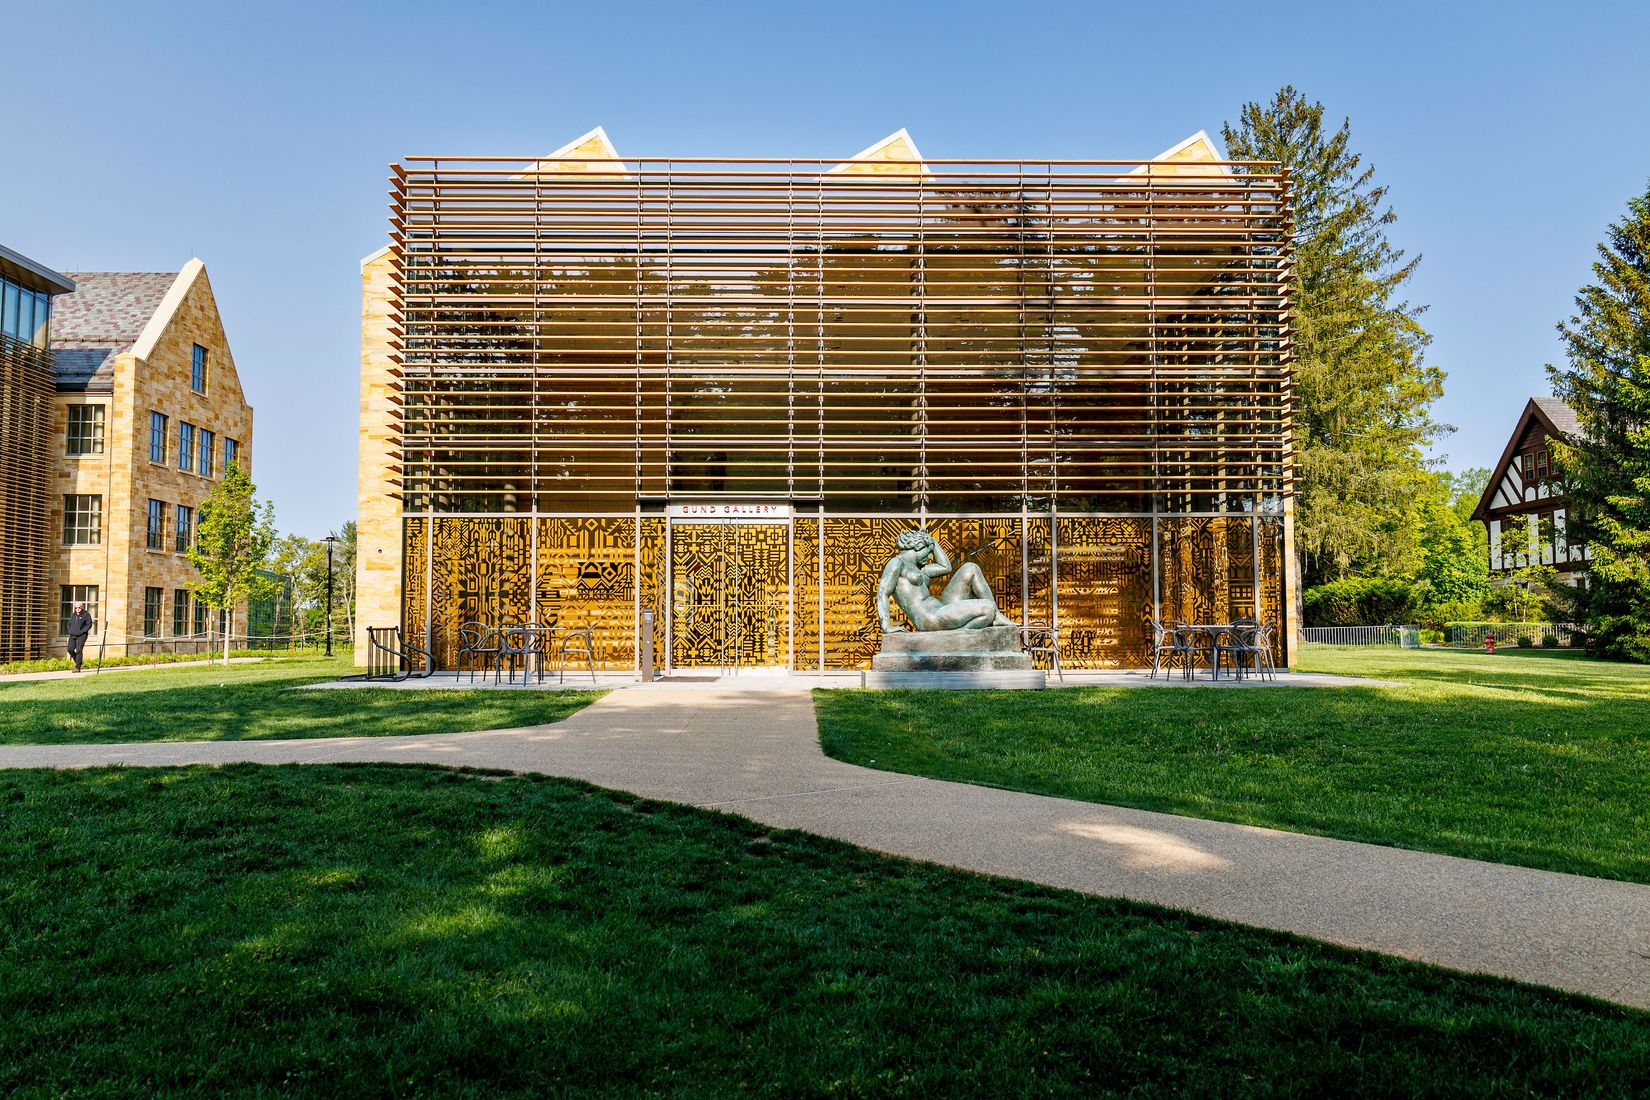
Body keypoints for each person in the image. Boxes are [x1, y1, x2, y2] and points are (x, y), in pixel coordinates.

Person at [876, 529, 1015, 633]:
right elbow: (882, 593)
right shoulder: (897, 563)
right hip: (930, 618)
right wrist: (886, 626)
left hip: (941, 610)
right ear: (918, 547)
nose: (929, 557)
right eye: (929, 552)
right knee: (987, 608)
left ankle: (995, 616)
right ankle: (959, 635)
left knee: (970, 568)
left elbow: (946, 567)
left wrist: (933, 542)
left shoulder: (921, 570)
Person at [66, 601, 93, 673]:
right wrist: (70, 631)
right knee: (70, 649)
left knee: (78, 650)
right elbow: (69, 624)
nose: (77, 609)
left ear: (82, 607)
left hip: (82, 635)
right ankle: (78, 662)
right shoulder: (73, 615)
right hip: (72, 635)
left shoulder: (86, 615)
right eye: (76, 608)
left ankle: (78, 667)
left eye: (79, 607)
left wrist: (82, 631)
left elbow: (89, 625)